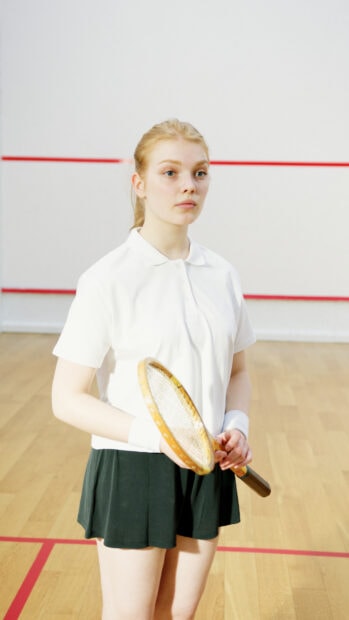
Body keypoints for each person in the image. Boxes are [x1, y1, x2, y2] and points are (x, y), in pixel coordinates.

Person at [52, 119, 256, 620]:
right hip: (133, 468)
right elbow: (68, 398)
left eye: (200, 172)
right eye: (170, 172)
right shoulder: (106, 279)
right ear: (139, 183)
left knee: (175, 616)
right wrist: (157, 437)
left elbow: (238, 372)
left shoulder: (222, 274)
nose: (189, 184)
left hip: (206, 468)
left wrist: (237, 425)